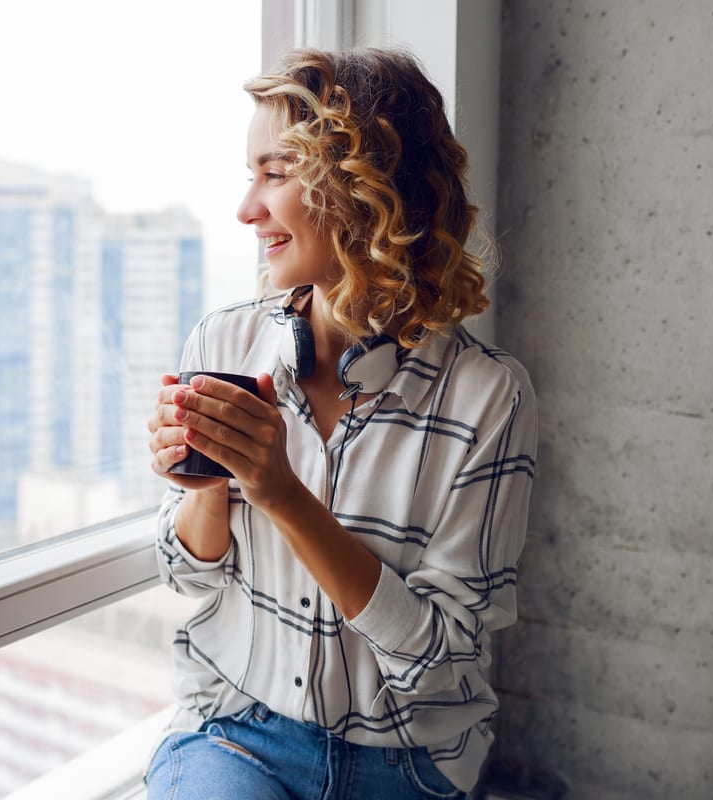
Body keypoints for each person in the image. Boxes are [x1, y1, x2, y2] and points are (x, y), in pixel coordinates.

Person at [144, 47, 537, 800]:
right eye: (248, 173)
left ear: (363, 186)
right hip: (238, 730)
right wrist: (203, 474)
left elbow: (440, 660)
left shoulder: (489, 399)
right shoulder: (224, 343)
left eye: (275, 172)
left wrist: (282, 493)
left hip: (408, 764)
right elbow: (185, 572)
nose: (246, 208)